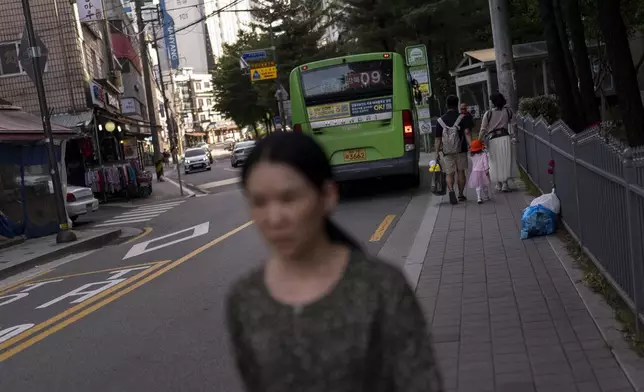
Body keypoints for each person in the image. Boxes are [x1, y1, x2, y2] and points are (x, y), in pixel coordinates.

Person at [226, 132, 443, 392]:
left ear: (327, 195)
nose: (274, 218)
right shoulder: (245, 299)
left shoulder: (380, 287)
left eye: (289, 198)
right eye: (259, 202)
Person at [435, 95, 473, 205]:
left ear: (446, 105)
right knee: (460, 172)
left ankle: (451, 191)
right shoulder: (462, 117)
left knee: (449, 173)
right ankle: (460, 194)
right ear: (457, 104)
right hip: (461, 149)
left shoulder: (440, 120)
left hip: (447, 151)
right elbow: (466, 133)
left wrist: (437, 153)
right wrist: (472, 146)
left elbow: (438, 139)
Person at [480, 92, 515, 192]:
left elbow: (483, 129)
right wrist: (514, 136)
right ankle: (505, 183)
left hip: (493, 139)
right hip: (505, 138)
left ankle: (498, 183)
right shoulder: (508, 111)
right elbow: (514, 124)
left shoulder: (488, 113)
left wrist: (479, 140)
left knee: (494, 161)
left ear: (493, 102)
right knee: (505, 159)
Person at [467, 139, 490, 204]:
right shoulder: (483, 154)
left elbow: (469, 154)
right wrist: (487, 169)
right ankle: (487, 196)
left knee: (478, 186)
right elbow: (485, 163)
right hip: (483, 171)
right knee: (484, 185)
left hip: (475, 172)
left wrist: (470, 149)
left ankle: (479, 198)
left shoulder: (472, 156)